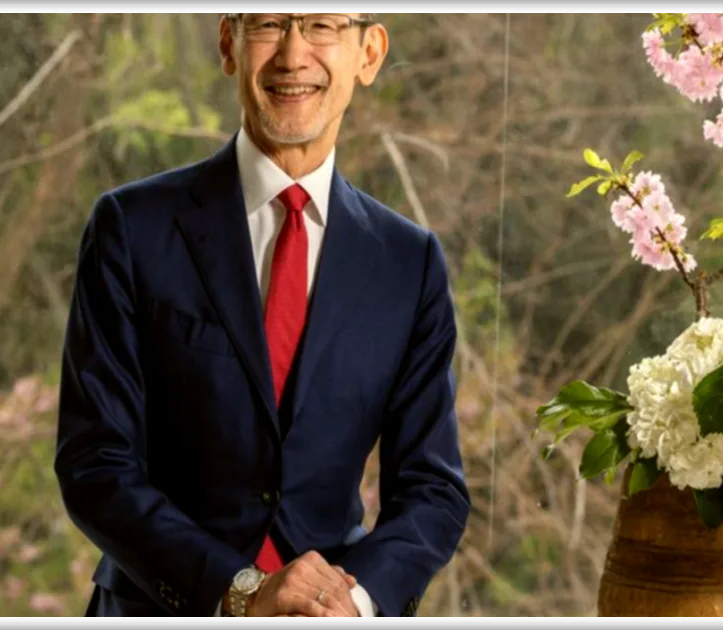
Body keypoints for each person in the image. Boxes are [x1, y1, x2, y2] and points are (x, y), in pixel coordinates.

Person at [53, 12, 470, 618]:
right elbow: (95, 462)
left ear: (370, 54)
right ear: (230, 43)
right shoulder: (131, 228)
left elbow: (433, 490)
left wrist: (350, 601)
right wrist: (240, 591)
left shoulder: (410, 263)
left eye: (322, 24)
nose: (293, 55)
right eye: (270, 23)